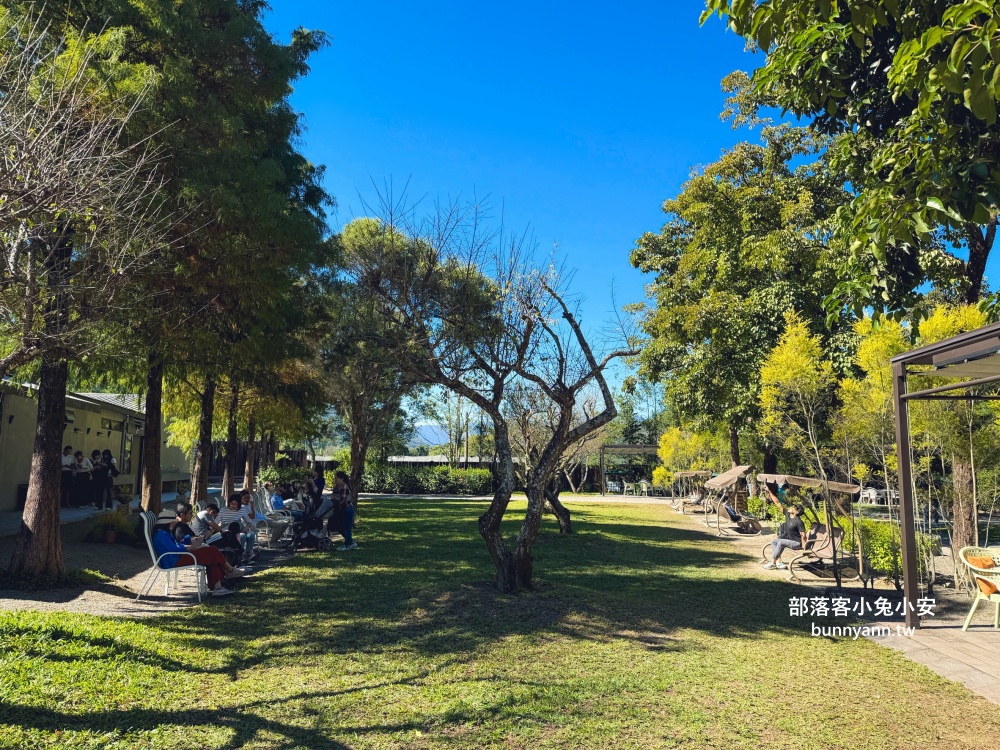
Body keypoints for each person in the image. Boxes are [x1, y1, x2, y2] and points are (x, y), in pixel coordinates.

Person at [151, 502, 246, 597]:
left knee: (212, 554)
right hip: (174, 560)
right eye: (172, 522)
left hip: (176, 557)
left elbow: (176, 546)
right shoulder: (161, 534)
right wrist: (193, 546)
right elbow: (174, 549)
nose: (174, 524)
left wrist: (192, 543)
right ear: (167, 523)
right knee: (212, 551)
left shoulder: (164, 533)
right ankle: (228, 572)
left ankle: (219, 586)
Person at [762, 503, 808, 570]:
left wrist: (804, 546)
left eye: (793, 507)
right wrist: (770, 493)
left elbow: (803, 535)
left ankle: (772, 563)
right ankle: (779, 562)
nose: (790, 507)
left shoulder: (799, 522)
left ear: (797, 512)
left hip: (797, 543)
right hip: (791, 541)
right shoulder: (788, 515)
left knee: (781, 543)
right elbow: (778, 504)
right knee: (774, 541)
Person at [216, 494, 257, 563]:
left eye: (235, 504)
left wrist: (247, 526)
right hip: (228, 530)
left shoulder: (242, 510)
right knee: (242, 536)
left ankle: (248, 554)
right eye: (231, 503)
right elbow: (216, 521)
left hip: (239, 528)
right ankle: (239, 556)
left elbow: (249, 521)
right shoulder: (223, 510)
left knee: (251, 534)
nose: (233, 506)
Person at [331, 471, 357, 551]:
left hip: (347, 509)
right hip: (341, 509)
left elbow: (342, 500)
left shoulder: (344, 487)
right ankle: (349, 540)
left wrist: (335, 497)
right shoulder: (337, 486)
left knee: (346, 527)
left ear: (342, 478)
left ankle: (348, 544)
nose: (335, 479)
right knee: (340, 526)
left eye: (337, 478)